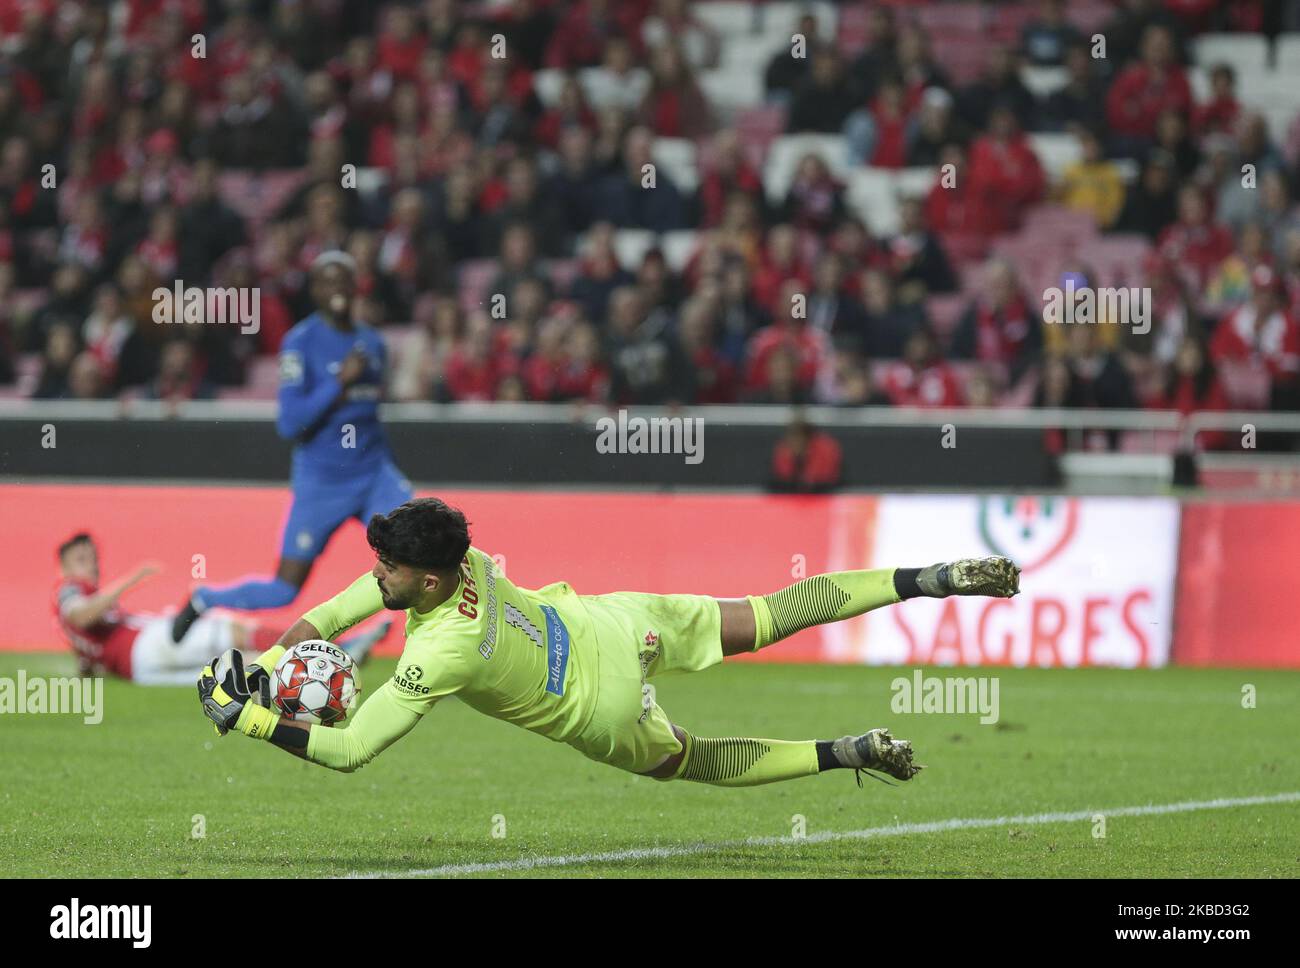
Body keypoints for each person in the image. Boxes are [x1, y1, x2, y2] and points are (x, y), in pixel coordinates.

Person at [197, 498, 1021, 788]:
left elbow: (348, 752)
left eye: (392, 567)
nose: (378, 576)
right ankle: (927, 578)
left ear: (434, 579)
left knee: (692, 760)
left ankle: (846, 752)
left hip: (602, 709)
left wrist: (252, 719)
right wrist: (270, 666)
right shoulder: (466, 554)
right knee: (769, 614)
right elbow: (334, 616)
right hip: (618, 623)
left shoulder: (437, 654)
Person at [170, 251, 413, 641]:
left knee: (417, 546)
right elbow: (290, 423)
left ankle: (430, 649)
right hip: (322, 484)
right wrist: (339, 384)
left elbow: (370, 417)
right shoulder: (300, 342)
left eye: (344, 281)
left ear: (356, 287)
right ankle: (205, 598)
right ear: (314, 290)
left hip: (373, 474)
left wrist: (391, 472)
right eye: (327, 282)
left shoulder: (373, 343)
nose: (337, 290)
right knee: (285, 589)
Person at [54, 533, 386, 685]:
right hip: (149, 646)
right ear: (64, 567)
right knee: (233, 630)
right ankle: (340, 649)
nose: (92, 565)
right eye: (82, 559)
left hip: (141, 672)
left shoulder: (75, 615)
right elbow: (81, 614)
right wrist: (131, 580)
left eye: (93, 557)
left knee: (238, 666)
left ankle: (325, 669)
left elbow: (86, 651)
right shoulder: (71, 589)